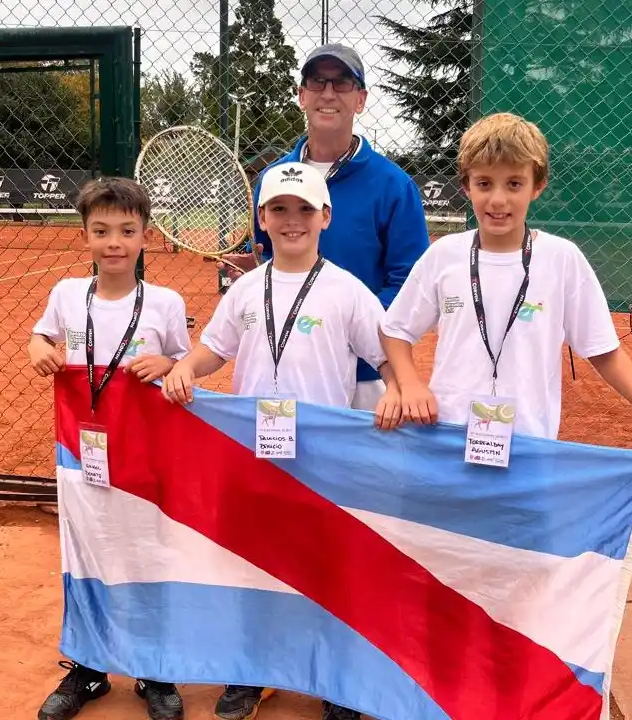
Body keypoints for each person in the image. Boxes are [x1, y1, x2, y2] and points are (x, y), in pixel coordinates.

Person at [163, 161, 402, 720]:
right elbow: (214, 350)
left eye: (302, 210)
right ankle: (252, 671)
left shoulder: (348, 292)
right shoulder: (247, 289)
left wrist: (395, 388)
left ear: (325, 216)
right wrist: (184, 369)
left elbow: (388, 357)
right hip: (254, 459)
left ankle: (337, 680)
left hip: (323, 463)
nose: (291, 221)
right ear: (262, 219)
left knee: (327, 569)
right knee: (257, 565)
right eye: (278, 210)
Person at [379, 112, 632, 478]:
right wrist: (407, 383)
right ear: (466, 186)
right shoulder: (444, 255)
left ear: (538, 185)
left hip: (529, 452)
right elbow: (396, 329)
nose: (498, 199)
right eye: (485, 183)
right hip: (445, 442)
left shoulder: (562, 259)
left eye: (514, 184)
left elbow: (602, 350)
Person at [28, 177, 192, 720]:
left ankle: (153, 669)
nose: (114, 242)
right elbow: (41, 337)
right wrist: (39, 349)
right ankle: (89, 667)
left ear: (146, 236)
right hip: (81, 455)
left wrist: (168, 365)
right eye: (101, 231)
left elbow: (183, 364)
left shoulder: (164, 303)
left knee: (146, 552)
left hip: (146, 457)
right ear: (85, 236)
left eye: (126, 230)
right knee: (86, 551)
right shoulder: (66, 294)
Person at [222, 42, 430, 414]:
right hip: (294, 367)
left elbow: (407, 284)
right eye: (318, 82)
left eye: (343, 83)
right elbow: (276, 260)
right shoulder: (271, 180)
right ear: (302, 96)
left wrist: (341, 332)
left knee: (356, 471)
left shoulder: (394, 186)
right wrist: (255, 269)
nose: (328, 93)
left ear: (361, 99)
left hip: (366, 371)